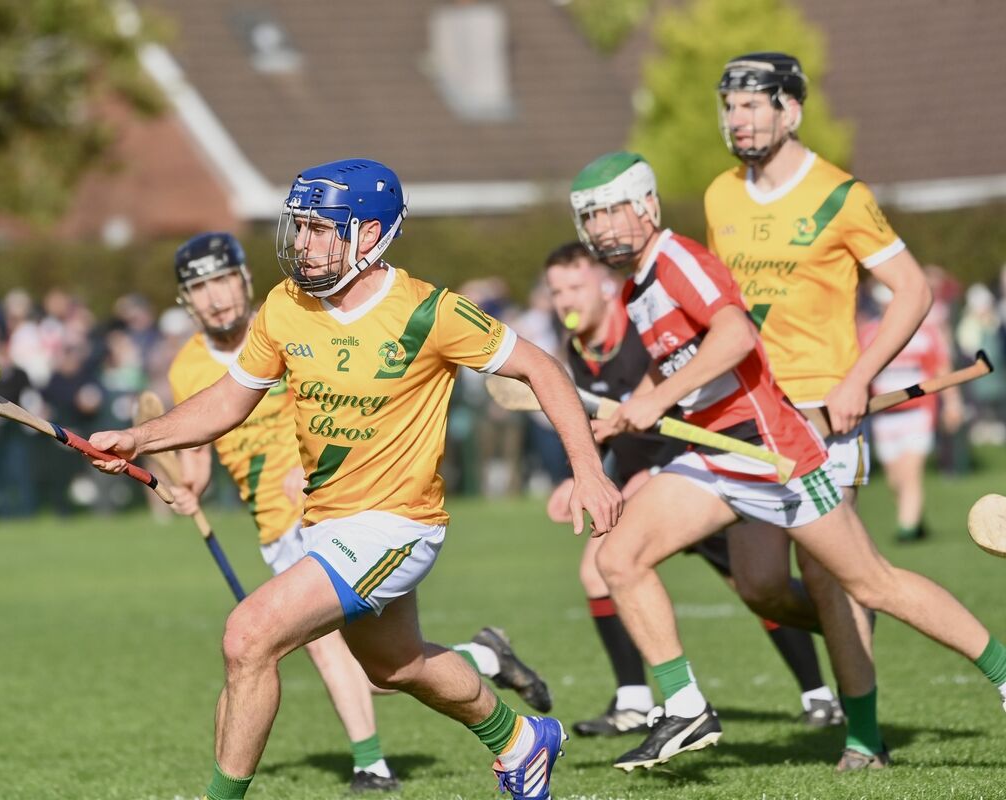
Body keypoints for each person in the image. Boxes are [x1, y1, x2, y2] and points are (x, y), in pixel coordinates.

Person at [90, 159, 622, 800]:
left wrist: (587, 471)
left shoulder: (429, 311)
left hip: (397, 525)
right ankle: (519, 741)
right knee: (395, 666)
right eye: (300, 226)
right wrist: (141, 439)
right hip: (330, 524)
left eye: (320, 228)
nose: (303, 242)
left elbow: (544, 371)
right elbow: (229, 400)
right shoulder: (286, 306)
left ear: (368, 236)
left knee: (248, 635)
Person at [566, 150, 1006, 774]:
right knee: (619, 557)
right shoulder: (637, 285)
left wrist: (659, 397)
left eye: (613, 209)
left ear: (647, 206)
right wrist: (626, 410)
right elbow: (680, 370)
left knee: (872, 583)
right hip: (716, 455)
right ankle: (686, 706)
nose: (604, 225)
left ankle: (1004, 674)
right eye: (591, 215)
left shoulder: (679, 261)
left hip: (774, 454)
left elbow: (736, 336)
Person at [163, 231, 553, 792]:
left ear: (244, 279)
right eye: (200, 288)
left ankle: (369, 761)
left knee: (258, 641)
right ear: (185, 299)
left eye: (223, 280)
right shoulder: (188, 367)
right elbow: (200, 450)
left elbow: (352, 403)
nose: (216, 297)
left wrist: (314, 469)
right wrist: (185, 484)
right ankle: (496, 688)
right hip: (277, 529)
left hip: (342, 512)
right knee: (385, 668)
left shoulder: (293, 315)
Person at [705, 51, 945, 768]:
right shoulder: (721, 195)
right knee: (760, 585)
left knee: (832, 580)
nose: (740, 120)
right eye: (731, 106)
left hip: (823, 415)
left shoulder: (841, 195)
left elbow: (912, 290)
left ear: (791, 110)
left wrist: (859, 378)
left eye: (754, 105)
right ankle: (862, 618)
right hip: (752, 419)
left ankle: (864, 736)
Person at [542, 241, 841, 735]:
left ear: (603, 286)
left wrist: (649, 475)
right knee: (601, 567)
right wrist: (585, 476)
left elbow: (688, 407)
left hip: (701, 473)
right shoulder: (579, 349)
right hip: (656, 484)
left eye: (575, 287)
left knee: (758, 588)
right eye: (556, 292)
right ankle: (636, 700)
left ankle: (820, 692)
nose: (566, 300)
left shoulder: (641, 334)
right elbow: (614, 426)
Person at [859, 282, 962, 542]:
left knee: (910, 472)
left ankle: (907, 528)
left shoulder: (926, 333)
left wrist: (952, 403)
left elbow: (941, 369)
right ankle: (915, 518)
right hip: (884, 415)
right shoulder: (869, 333)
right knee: (895, 478)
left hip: (919, 412)